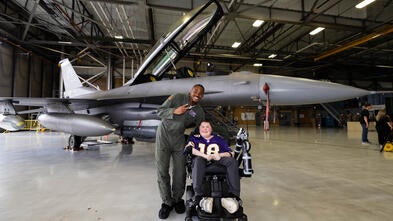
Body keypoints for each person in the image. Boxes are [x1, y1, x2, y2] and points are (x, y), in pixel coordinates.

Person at [155, 84, 205, 219]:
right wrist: (174, 111)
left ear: (202, 96)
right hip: (164, 135)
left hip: (179, 139)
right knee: (162, 170)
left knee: (180, 171)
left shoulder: (199, 111)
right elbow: (159, 111)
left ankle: (177, 199)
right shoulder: (177, 97)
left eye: (201, 93)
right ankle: (166, 203)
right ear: (191, 91)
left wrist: (192, 139)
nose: (197, 94)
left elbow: (200, 129)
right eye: (196, 90)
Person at [186, 120, 241, 214]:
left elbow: (231, 153)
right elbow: (189, 149)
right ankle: (199, 196)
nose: (205, 128)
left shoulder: (219, 139)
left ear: (211, 129)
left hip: (218, 159)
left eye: (207, 126)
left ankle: (233, 196)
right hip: (201, 160)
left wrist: (220, 155)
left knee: (232, 162)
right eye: (202, 127)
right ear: (199, 129)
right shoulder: (194, 138)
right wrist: (204, 156)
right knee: (198, 160)